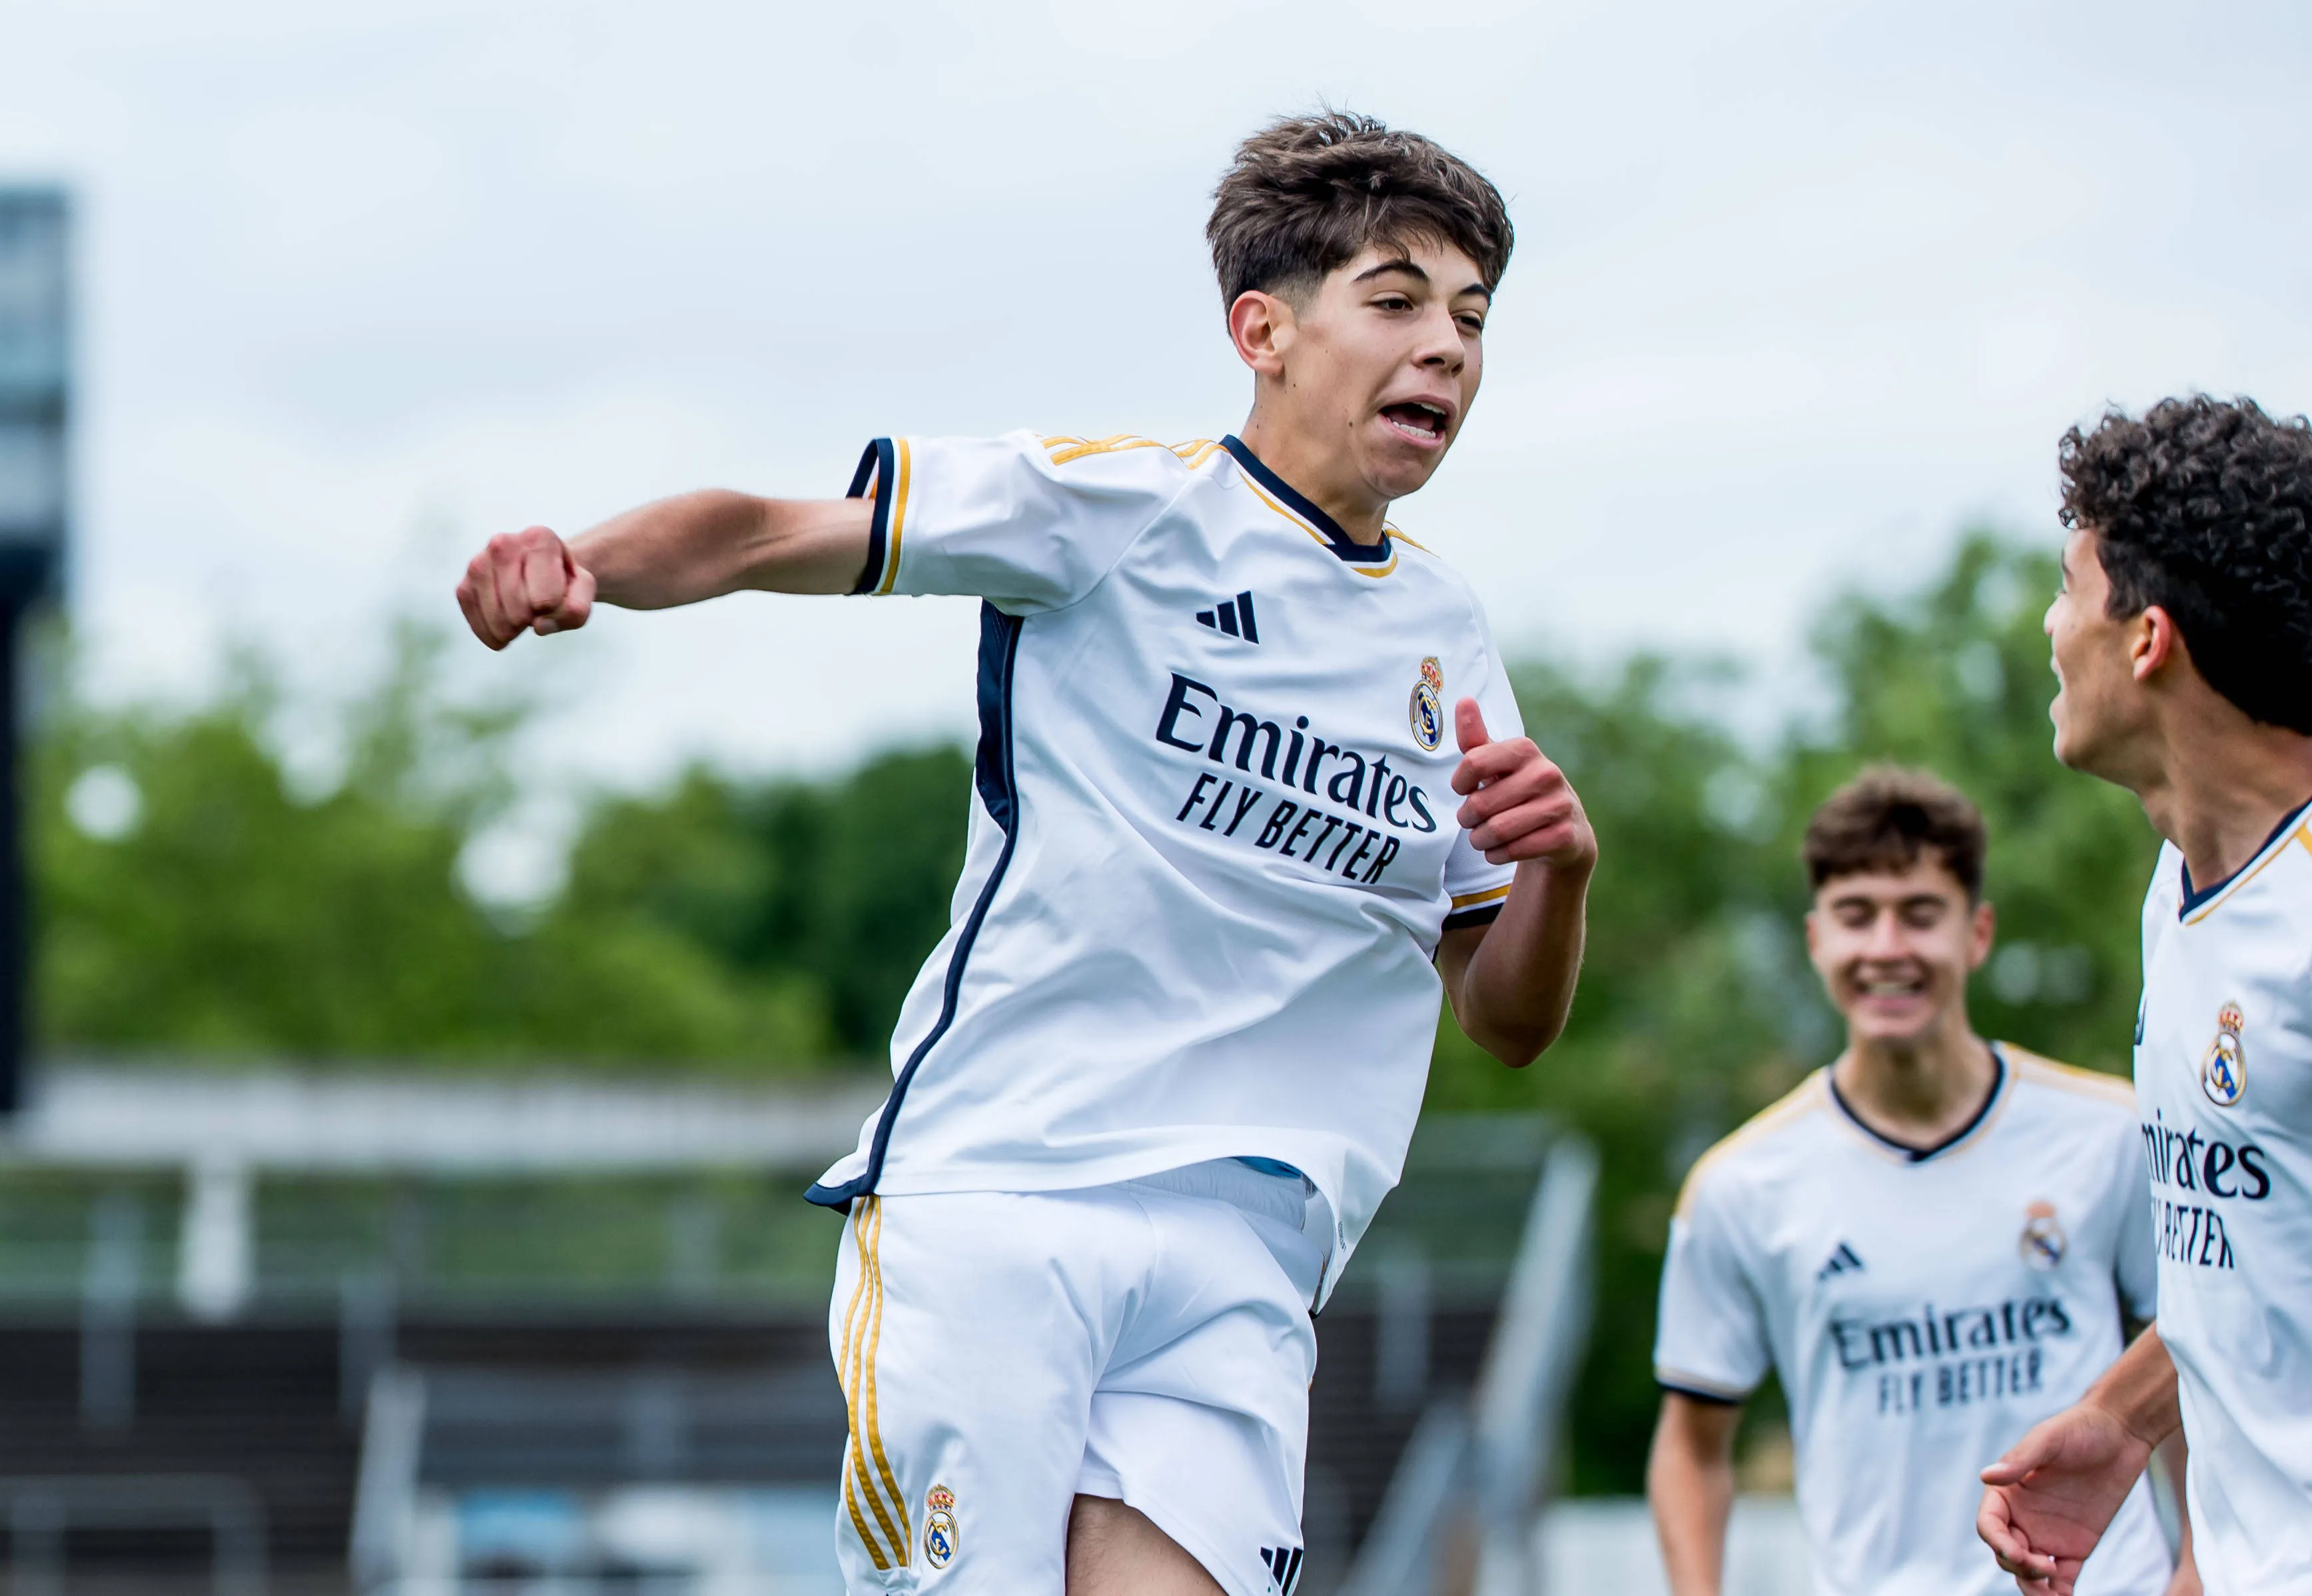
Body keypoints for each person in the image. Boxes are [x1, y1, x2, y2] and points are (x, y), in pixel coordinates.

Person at [453, 112, 1596, 1596]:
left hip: (1253, 1258)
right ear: (1263, 331)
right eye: (1396, 300)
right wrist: (583, 564)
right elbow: (762, 533)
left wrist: (1560, 874)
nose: (1445, 345)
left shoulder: (1446, 637)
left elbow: (1507, 1019)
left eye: (1472, 318)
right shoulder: (1119, 507)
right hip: (1006, 1201)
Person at [1977, 394, 2312, 1596]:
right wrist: (2124, 1421)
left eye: (2068, 587)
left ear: (2147, 640)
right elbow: (2289, 1253)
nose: (2049, 624)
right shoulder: (2184, 886)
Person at [1649, 767, 2189, 1596]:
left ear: (1977, 933)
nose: (1887, 946)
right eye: (1856, 914)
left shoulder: (2110, 1130)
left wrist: (2198, 1565)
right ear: (1816, 939)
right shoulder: (1739, 1185)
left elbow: (2187, 1359)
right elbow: (1692, 1444)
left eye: (1921, 912)